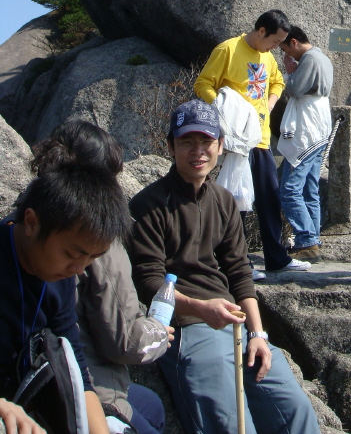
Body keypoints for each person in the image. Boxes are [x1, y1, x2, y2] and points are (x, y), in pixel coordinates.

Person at [127, 102, 320, 434]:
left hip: (237, 326)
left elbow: (239, 271)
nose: (198, 151)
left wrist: (258, 334)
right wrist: (203, 310)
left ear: (220, 145)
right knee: (228, 421)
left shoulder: (223, 200)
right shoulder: (149, 204)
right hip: (187, 327)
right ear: (171, 146)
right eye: (187, 142)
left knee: (295, 410)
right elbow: (148, 281)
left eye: (207, 142)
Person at [28, 122, 171, 434]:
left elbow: (71, 347)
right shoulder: (96, 242)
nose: (78, 268)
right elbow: (124, 341)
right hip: (85, 388)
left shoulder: (35, 215)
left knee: (153, 406)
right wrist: (159, 333)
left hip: (81, 378)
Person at [0, 162, 131, 434]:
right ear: (32, 223)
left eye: (92, 258)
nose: (79, 269)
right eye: (72, 254)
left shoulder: (58, 279)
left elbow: (75, 369)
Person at [194, 10, 310, 274]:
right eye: (273, 40)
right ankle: (237, 263)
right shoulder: (228, 49)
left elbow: (277, 82)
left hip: (260, 139)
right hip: (236, 141)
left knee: (269, 197)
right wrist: (224, 110)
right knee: (238, 201)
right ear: (260, 31)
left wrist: (269, 105)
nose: (276, 47)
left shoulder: (267, 58)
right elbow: (203, 84)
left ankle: (277, 259)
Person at [277, 27, 333, 263]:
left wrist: (290, 72)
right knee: (310, 187)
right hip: (320, 124)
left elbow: (293, 89)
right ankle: (313, 238)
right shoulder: (322, 57)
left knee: (290, 188)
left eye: (286, 49)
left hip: (308, 127)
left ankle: (307, 238)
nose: (287, 55)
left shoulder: (309, 58)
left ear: (294, 42)